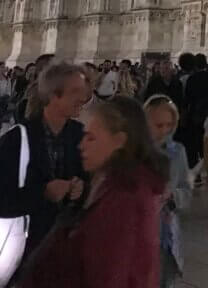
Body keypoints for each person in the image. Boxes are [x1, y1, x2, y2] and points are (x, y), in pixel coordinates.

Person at [19, 95, 170, 288]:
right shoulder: (111, 185)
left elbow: (109, 273)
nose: (81, 145)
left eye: (91, 138)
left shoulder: (125, 198)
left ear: (118, 141)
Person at [0, 61, 87, 276]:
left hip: (65, 248)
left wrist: (81, 187)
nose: (83, 98)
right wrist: (43, 193)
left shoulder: (81, 135)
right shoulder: (16, 139)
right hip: (26, 251)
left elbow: (90, 180)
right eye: (75, 91)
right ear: (53, 95)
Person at [145, 95, 192, 287]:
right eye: (158, 125)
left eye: (169, 125)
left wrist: (172, 195)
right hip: (141, 231)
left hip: (166, 232)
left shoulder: (177, 151)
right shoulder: (135, 152)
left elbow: (185, 190)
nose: (164, 131)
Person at [184, 53, 208, 181]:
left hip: (195, 115)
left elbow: (187, 98)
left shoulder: (192, 79)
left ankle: (197, 173)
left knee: (196, 144)